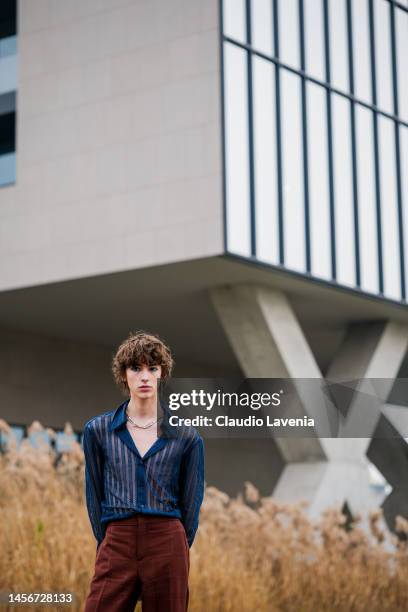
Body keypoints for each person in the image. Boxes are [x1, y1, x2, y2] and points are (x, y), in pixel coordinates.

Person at [83, 330, 205, 612]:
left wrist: (175, 549)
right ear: (124, 374)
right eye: (135, 368)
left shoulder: (187, 437)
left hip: (167, 540)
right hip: (116, 539)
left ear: (162, 373)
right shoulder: (98, 431)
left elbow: (191, 505)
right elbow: (94, 494)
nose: (144, 376)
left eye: (152, 367)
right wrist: (108, 542)